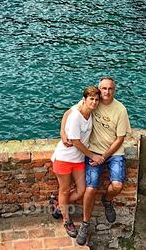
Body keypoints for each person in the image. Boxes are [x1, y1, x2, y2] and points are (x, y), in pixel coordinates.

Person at [59, 77, 130, 246]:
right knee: (89, 189)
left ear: (115, 90)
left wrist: (104, 156)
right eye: (104, 88)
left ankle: (107, 200)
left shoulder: (120, 109)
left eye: (110, 89)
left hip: (113, 153)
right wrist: (62, 133)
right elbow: (69, 113)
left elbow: (120, 138)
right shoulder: (92, 101)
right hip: (93, 151)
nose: (107, 92)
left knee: (118, 186)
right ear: (99, 90)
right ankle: (85, 224)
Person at [50, 85, 102, 238]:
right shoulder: (76, 115)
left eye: (96, 100)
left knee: (81, 190)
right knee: (64, 190)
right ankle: (67, 220)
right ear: (84, 99)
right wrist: (93, 156)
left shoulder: (88, 111)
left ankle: (57, 205)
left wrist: (61, 129)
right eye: (91, 99)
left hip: (78, 160)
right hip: (64, 158)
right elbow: (76, 142)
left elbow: (66, 112)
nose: (94, 102)